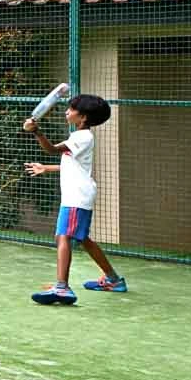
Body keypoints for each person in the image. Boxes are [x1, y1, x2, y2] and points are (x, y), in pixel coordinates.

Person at [23, 93, 124, 303]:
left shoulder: (82, 137)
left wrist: (37, 131)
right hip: (78, 194)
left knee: (63, 236)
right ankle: (114, 280)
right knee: (82, 238)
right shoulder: (79, 137)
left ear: (83, 117)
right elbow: (72, 165)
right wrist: (46, 168)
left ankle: (62, 288)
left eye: (72, 108)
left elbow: (51, 149)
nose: (67, 111)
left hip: (76, 196)